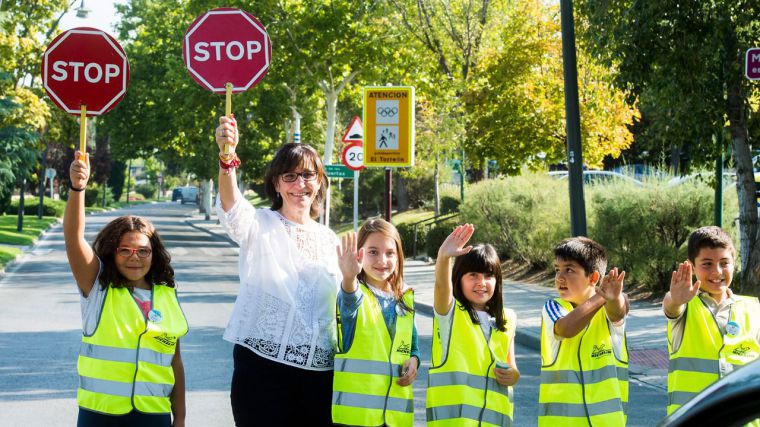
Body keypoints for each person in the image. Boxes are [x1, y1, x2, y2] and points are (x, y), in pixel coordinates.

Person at [214, 116, 341, 426]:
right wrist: (227, 157)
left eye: (308, 175)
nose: (300, 184)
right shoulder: (259, 224)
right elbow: (231, 206)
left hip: (319, 374)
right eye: (290, 176)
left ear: (319, 181)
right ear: (276, 183)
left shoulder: (329, 238)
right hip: (262, 370)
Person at [64, 152, 187, 427]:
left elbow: (175, 362)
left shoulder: (167, 295)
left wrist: (179, 418)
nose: (135, 257)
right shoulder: (98, 288)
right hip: (100, 416)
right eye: (126, 250)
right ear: (112, 252)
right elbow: (73, 239)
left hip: (154, 416)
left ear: (153, 254)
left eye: (143, 251)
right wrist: (77, 188)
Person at [427, 223, 519, 426]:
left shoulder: (508, 318)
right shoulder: (450, 313)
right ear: (458, 279)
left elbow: (512, 368)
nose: (481, 282)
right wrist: (443, 257)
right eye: (473, 275)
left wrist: (512, 376)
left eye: (488, 276)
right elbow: (442, 287)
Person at [663, 226, 760, 415]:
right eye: (707, 264)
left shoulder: (753, 308)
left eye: (724, 263)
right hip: (694, 419)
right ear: (691, 266)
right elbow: (671, 307)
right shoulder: (684, 305)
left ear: (734, 262)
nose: (717, 272)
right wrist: (675, 299)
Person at [333, 219, 419, 426]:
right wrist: (348, 277)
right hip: (357, 419)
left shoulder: (405, 298)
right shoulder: (354, 294)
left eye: (390, 253)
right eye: (373, 252)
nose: (382, 260)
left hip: (395, 418)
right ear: (359, 254)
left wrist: (414, 362)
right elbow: (349, 298)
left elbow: (412, 347)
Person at [538, 237, 629, 427]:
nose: (559, 277)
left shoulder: (610, 307)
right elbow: (566, 329)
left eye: (569, 270)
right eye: (557, 270)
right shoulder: (553, 307)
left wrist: (612, 297)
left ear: (593, 278)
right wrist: (601, 296)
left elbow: (619, 311)